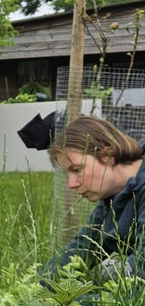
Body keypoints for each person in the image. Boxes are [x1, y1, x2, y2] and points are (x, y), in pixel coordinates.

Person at [43, 116, 145, 282]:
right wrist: (38, 287)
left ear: (107, 155)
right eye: (67, 175)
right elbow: (83, 248)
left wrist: (66, 305)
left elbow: (140, 288)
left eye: (76, 169)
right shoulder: (112, 197)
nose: (71, 184)